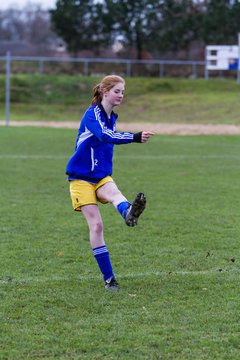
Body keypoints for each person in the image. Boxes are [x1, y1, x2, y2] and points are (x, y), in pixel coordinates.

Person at [66, 75, 154, 291]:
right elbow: (105, 136)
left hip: (101, 175)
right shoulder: (92, 114)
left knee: (116, 195)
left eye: (123, 92)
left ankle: (129, 213)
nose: (121, 95)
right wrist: (134, 137)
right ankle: (109, 279)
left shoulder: (111, 117)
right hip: (80, 178)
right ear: (105, 92)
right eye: (117, 91)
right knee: (96, 226)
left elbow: (109, 133)